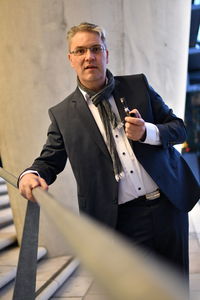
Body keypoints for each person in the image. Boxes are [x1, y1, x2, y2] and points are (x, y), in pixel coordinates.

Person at [19, 22, 199, 282]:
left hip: (167, 208)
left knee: (177, 287)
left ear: (106, 54)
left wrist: (148, 132)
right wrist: (31, 174)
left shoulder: (137, 86)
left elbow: (179, 129)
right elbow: (49, 159)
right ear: (70, 59)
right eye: (80, 51)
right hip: (120, 222)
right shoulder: (62, 115)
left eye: (95, 48)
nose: (89, 56)